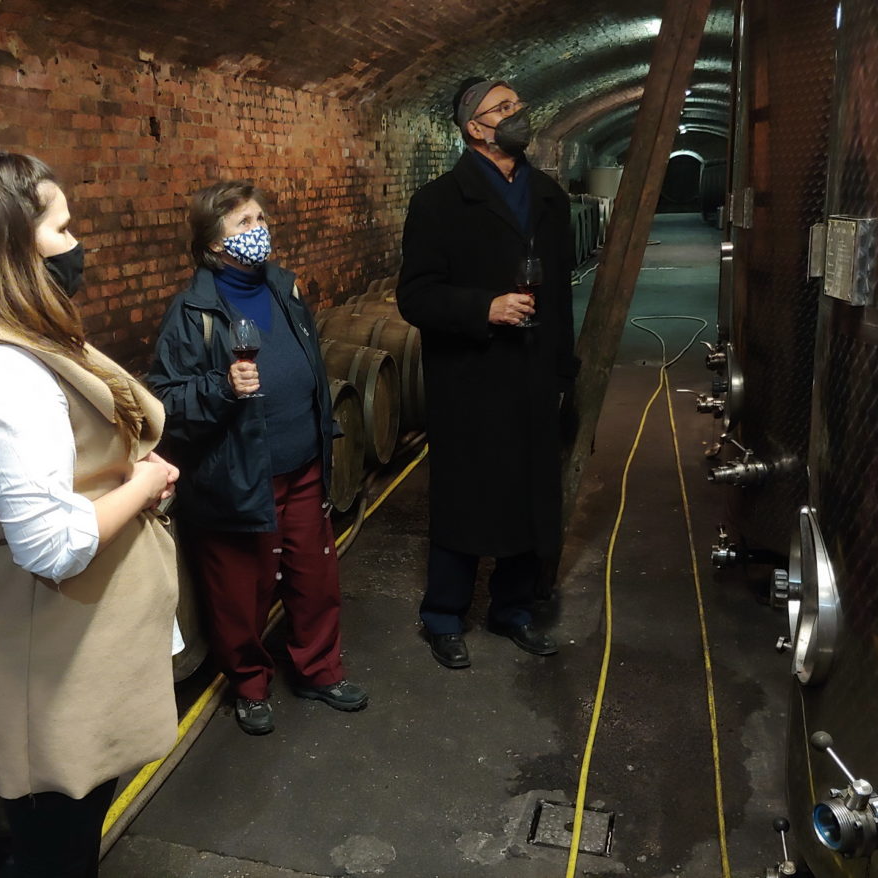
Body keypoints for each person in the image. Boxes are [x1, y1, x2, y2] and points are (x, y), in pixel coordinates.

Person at [0, 152, 181, 878]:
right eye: (62, 229)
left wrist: (128, 476)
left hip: (72, 642)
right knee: (56, 852)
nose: (76, 243)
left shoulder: (23, 337)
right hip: (46, 651)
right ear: (12, 247)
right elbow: (51, 544)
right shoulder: (2, 369)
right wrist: (144, 482)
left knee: (68, 838)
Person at [147, 180, 368, 735]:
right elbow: (166, 402)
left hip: (304, 464)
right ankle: (249, 685)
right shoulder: (191, 311)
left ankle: (319, 670)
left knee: (315, 578)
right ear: (213, 242)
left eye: (260, 218)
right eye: (243, 223)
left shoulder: (284, 288)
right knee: (241, 593)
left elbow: (310, 366)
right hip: (239, 476)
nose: (258, 229)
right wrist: (222, 386)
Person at [396, 78, 579, 670]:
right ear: (475, 127)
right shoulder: (438, 202)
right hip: (471, 379)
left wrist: (564, 370)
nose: (518, 114)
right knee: (466, 498)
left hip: (533, 373)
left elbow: (563, 298)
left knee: (529, 493)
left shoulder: (548, 197)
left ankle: (513, 610)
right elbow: (415, 296)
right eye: (504, 108)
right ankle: (444, 616)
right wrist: (485, 307)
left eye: (518, 105)